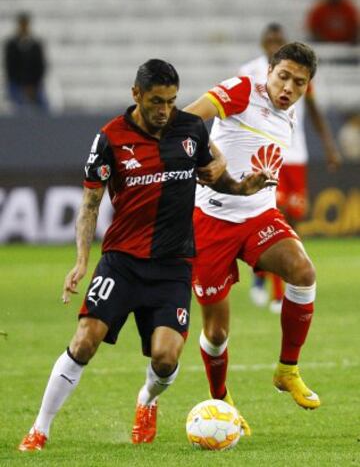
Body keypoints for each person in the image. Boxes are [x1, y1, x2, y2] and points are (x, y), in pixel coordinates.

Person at [18, 59, 275, 451]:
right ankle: (39, 429)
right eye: (157, 101)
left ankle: (147, 400)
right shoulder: (110, 137)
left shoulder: (189, 129)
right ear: (136, 94)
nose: (164, 111)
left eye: (171, 101)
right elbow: (90, 204)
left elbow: (216, 178)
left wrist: (244, 188)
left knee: (166, 359)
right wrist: (82, 261)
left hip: (173, 266)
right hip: (122, 261)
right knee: (85, 340)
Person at [184, 43, 322, 429]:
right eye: (283, 77)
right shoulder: (243, 89)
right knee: (217, 331)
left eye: (299, 83)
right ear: (269, 72)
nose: (289, 88)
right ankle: (221, 399)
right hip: (211, 221)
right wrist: (214, 159)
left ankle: (287, 370)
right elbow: (188, 120)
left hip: (258, 215)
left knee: (303, 273)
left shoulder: (289, 115)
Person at [238, 23, 341, 313]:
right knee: (274, 219)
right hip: (268, 155)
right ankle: (276, 292)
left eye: (278, 40)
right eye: (270, 40)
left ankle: (263, 275)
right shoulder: (249, 71)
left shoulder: (299, 72)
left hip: (298, 155)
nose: (274, 44)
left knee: (294, 221)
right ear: (263, 44)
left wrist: (329, 146)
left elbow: (315, 110)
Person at [3, 12, 47, 111]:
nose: (24, 27)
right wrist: (23, 86)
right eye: (22, 24)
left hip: (34, 86)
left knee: (44, 107)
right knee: (16, 106)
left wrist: (32, 85)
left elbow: (40, 66)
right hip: (16, 85)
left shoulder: (36, 45)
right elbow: (10, 67)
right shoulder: (11, 45)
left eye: (25, 24)